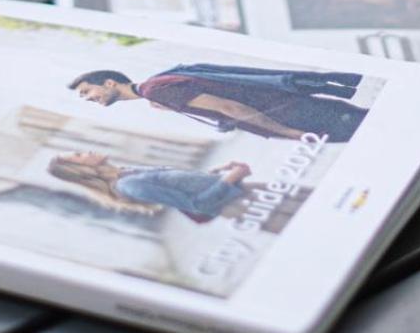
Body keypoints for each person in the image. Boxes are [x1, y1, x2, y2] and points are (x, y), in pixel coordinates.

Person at [67, 60, 366, 141]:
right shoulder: (159, 85)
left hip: (297, 117)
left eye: (87, 92)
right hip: (295, 107)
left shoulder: (157, 89)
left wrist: (287, 133)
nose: (88, 99)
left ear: (109, 82)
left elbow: (230, 107)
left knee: (374, 132)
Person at [47, 151, 253, 223]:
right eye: (79, 155)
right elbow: (197, 205)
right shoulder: (129, 185)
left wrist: (218, 170)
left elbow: (186, 185)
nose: (87, 151)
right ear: (80, 169)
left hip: (242, 190)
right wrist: (230, 178)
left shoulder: (128, 170)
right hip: (241, 206)